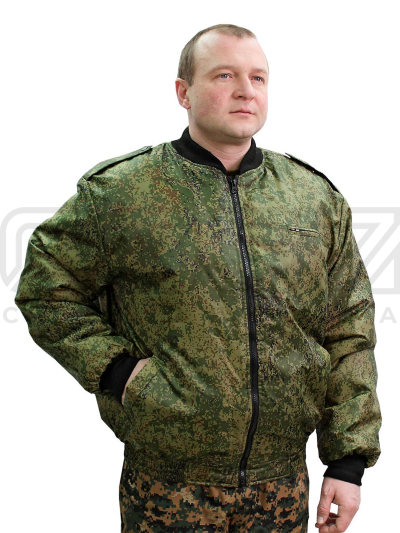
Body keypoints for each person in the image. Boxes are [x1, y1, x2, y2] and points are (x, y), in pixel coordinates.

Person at [15, 23, 381, 533]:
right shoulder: (123, 192)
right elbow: (46, 290)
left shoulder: (312, 198)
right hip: (168, 487)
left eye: (258, 77)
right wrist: (119, 372)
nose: (246, 90)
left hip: (281, 486)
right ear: (183, 92)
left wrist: (347, 462)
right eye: (224, 75)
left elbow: (348, 329)